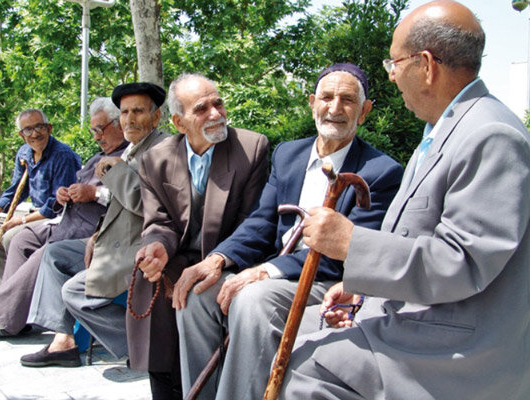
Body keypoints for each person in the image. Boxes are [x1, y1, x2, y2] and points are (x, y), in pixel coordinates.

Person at [280, 2, 530, 399]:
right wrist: (364, 289)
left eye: (393, 63)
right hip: (423, 318)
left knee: (309, 364)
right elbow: (421, 240)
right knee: (291, 330)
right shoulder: (444, 129)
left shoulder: (490, 135)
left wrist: (352, 243)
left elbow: (462, 262)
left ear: (426, 65)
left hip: (459, 349)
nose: (392, 75)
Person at [174, 64, 404, 400]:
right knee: (198, 293)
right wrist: (219, 259)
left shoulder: (380, 172)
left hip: (325, 281)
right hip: (279, 273)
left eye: (348, 100)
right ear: (312, 102)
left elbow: (344, 258)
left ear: (365, 111)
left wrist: (264, 272)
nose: (335, 108)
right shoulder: (288, 154)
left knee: (253, 299)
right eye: (326, 97)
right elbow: (261, 222)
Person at [0, 98, 128, 338]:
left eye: (100, 129)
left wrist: (93, 194)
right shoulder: (95, 155)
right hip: (65, 220)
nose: (96, 136)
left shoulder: (124, 156)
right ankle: (13, 314)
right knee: (20, 240)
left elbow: (130, 196)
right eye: (93, 130)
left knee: (43, 251)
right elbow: (21, 192)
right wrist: (65, 195)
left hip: (90, 230)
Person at [135, 73, 270, 399]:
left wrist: (216, 261)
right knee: (147, 278)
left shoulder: (252, 148)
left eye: (218, 103)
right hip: (180, 256)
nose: (216, 114)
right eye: (202, 109)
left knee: (195, 292)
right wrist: (156, 247)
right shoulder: (155, 159)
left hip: (230, 259)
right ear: (180, 123)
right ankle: (165, 389)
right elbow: (159, 222)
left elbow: (252, 223)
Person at [20, 82, 168, 368]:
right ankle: (63, 341)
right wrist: (96, 234)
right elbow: (116, 202)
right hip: (112, 240)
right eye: (125, 112)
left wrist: (114, 170)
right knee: (55, 254)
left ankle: (144, 344)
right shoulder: (132, 149)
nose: (130, 119)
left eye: (138, 111)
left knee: (75, 291)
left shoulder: (162, 147)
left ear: (156, 116)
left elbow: (141, 203)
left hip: (139, 246)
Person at [0, 109, 81, 282]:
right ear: (22, 135)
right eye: (28, 130)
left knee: (10, 237)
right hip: (34, 215)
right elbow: (15, 191)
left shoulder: (62, 155)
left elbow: (56, 205)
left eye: (39, 127)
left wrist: (21, 221)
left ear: (49, 128)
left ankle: (16, 290)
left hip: (57, 218)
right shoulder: (24, 153)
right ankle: (8, 285)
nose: (35, 134)